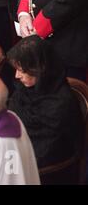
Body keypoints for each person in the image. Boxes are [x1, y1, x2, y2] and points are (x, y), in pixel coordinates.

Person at [7, 35, 80, 168]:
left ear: (39, 70)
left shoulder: (60, 103)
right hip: (18, 153)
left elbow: (47, 150)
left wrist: (9, 159)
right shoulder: (25, 89)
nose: (17, 76)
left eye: (22, 70)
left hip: (48, 168)